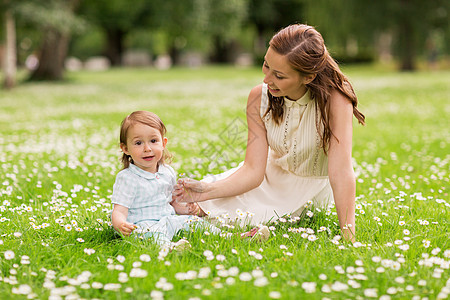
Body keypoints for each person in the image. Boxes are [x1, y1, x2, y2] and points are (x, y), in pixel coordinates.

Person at [173, 24, 365, 241]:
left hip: (306, 190)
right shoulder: (259, 97)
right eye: (266, 65)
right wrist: (206, 191)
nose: (266, 79)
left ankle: (231, 234)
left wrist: (349, 238)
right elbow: (253, 170)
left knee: (243, 215)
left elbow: (340, 173)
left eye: (279, 76)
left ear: (308, 77)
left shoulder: (336, 101)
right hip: (267, 177)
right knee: (185, 202)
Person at [111, 111, 268, 249]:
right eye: (138, 143)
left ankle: (231, 237)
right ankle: (169, 248)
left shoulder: (167, 172)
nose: (147, 148)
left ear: (163, 143)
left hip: (168, 220)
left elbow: (172, 202)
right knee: (151, 235)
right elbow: (119, 210)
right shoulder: (127, 178)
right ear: (125, 149)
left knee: (194, 222)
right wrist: (120, 224)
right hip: (143, 224)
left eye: (153, 141)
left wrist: (186, 209)